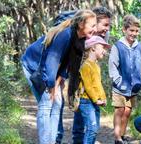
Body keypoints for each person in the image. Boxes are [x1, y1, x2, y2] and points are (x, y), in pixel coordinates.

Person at [21, 10, 97, 144]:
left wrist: (57, 84)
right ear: (81, 24)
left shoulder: (79, 39)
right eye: (92, 25)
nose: (95, 29)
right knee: (46, 104)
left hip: (50, 70)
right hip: (33, 65)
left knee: (58, 102)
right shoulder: (65, 35)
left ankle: (52, 140)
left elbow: (67, 63)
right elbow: (52, 61)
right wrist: (51, 86)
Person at [71, 6, 112, 144]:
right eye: (105, 25)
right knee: (80, 124)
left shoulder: (101, 39)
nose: (107, 29)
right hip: (81, 89)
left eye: (109, 25)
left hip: (92, 95)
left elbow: (97, 82)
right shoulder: (81, 34)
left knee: (92, 126)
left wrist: (101, 97)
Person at [109, 14, 141, 144]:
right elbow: (113, 66)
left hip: (134, 86)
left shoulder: (140, 46)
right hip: (120, 86)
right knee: (119, 110)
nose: (134, 33)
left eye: (136, 31)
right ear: (124, 30)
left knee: (127, 111)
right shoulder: (118, 46)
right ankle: (117, 138)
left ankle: (123, 134)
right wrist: (118, 81)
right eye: (131, 30)